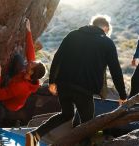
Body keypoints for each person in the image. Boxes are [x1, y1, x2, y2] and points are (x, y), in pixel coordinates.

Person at [26, 14, 127, 146]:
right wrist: (123, 95)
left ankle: (35, 135)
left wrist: (52, 81)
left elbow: (58, 57)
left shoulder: (73, 35)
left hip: (64, 85)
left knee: (66, 114)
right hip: (84, 90)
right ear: (106, 28)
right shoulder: (107, 43)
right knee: (88, 124)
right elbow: (115, 70)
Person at [0, 18, 46, 112]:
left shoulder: (20, 87)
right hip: (18, 80)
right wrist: (28, 30)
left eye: (32, 64)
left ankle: (0, 106)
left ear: (31, 72)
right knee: (18, 58)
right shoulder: (31, 74)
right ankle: (8, 81)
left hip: (8, 104)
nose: (31, 61)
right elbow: (30, 52)